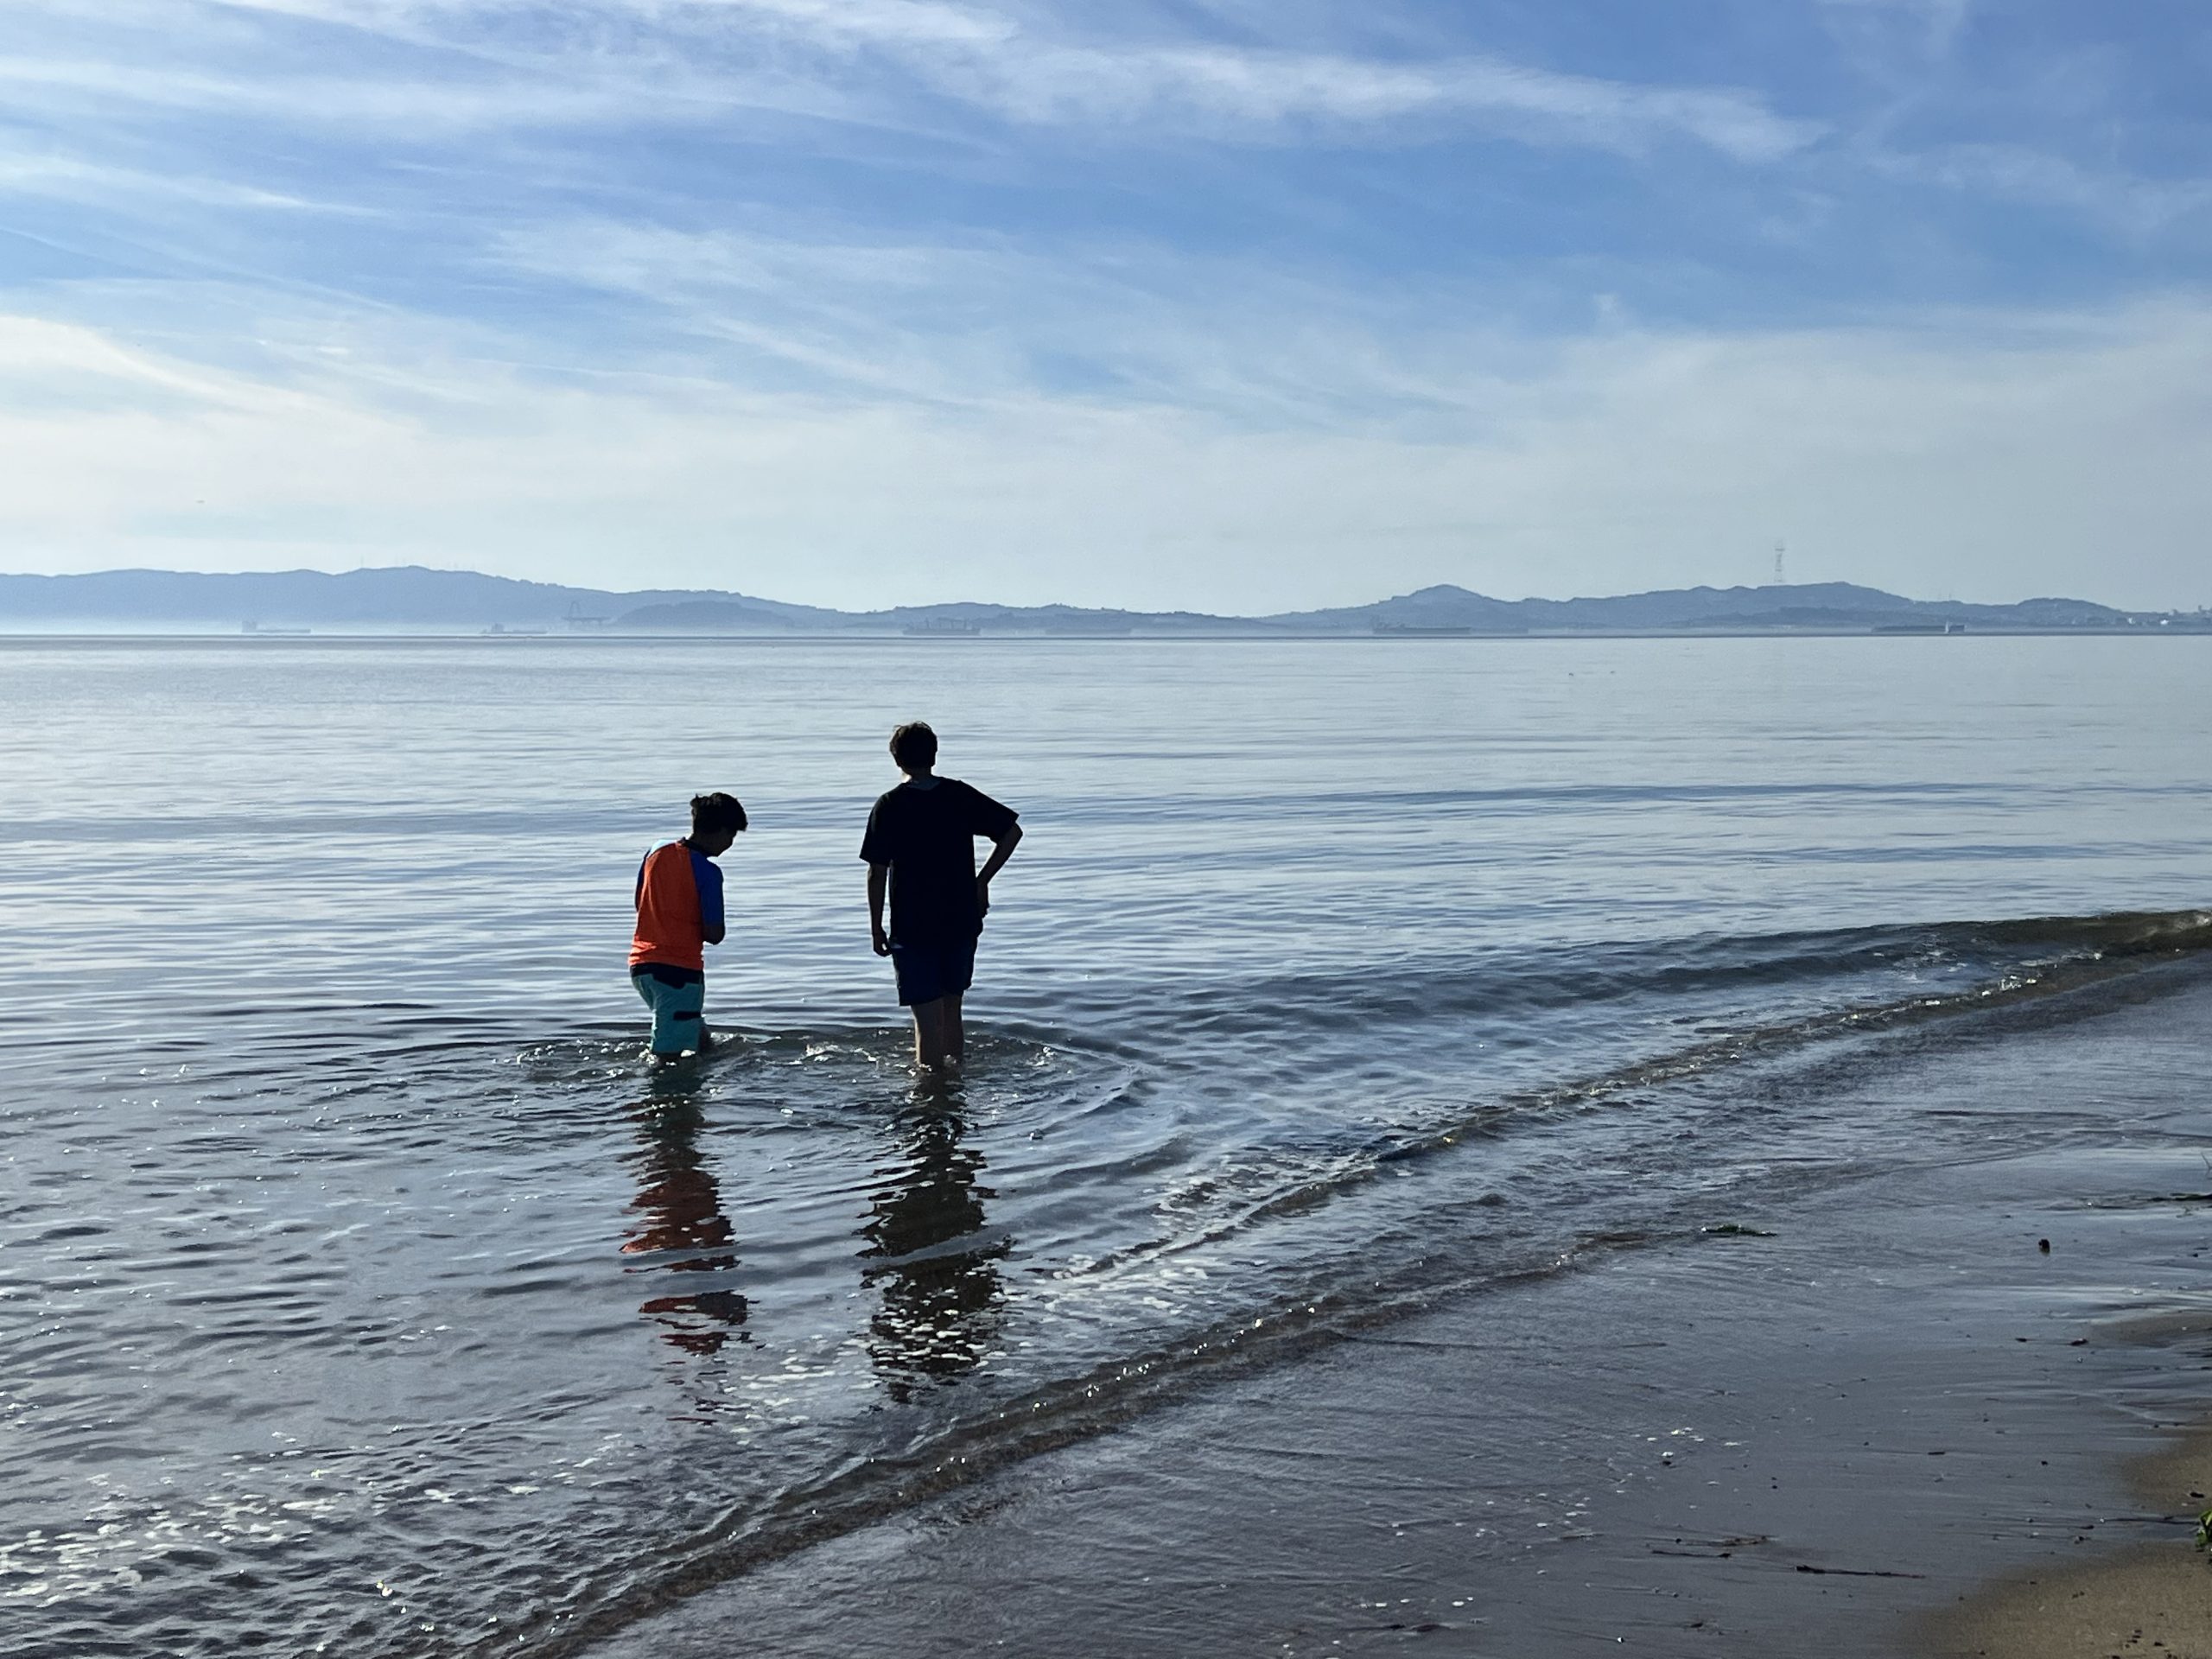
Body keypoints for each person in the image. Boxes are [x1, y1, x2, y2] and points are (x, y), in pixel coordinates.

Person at [861, 723, 1022, 1071]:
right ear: (934, 755)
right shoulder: (958, 795)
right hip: (960, 918)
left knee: (926, 1023)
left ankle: (931, 1102)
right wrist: (982, 880)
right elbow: (1011, 832)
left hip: (913, 925)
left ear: (897, 760)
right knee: (952, 1012)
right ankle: (955, 1085)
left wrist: (876, 928)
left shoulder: (889, 805)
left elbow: (877, 872)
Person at [631, 791, 746, 1061]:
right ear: (718, 832)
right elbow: (714, 934)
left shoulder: (656, 850)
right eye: (731, 836)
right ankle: (665, 1100)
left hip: (641, 967)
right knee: (668, 1057)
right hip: (678, 973)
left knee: (700, 1041)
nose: (730, 844)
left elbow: (640, 901)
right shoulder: (708, 872)